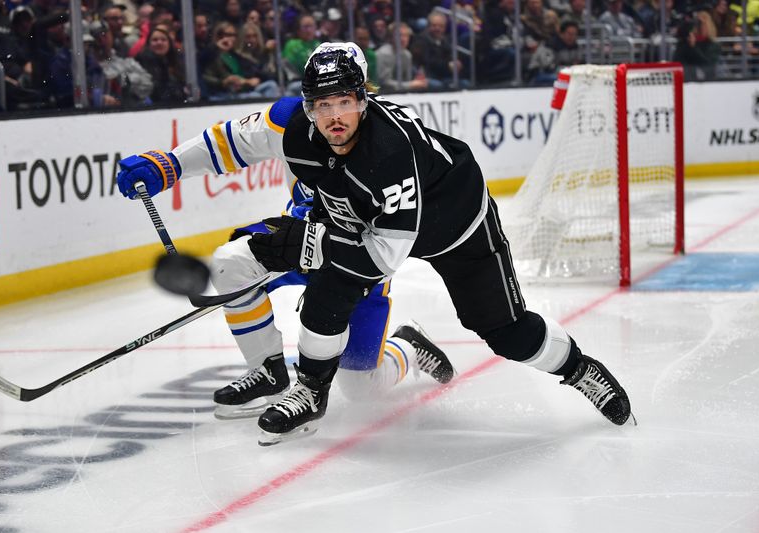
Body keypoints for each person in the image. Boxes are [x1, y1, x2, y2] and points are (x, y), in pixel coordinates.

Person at [115, 42, 633, 446]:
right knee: (244, 269)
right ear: (307, 105)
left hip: (452, 227)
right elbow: (228, 143)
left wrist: (301, 244)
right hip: (360, 228)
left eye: (346, 102)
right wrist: (169, 164)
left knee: (506, 334)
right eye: (322, 105)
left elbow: (381, 255)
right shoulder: (291, 123)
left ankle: (579, 369)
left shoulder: (388, 154)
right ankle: (278, 375)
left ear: (364, 99)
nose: (334, 116)